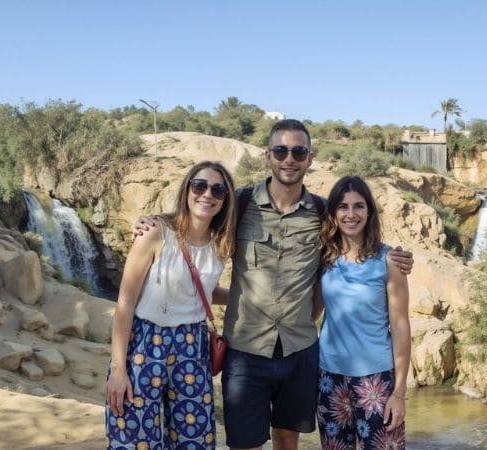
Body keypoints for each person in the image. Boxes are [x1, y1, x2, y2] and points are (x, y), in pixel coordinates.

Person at [133, 119, 413, 450]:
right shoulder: (240, 203)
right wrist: (155, 221)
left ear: (310, 158)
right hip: (246, 351)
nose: (289, 158)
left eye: (298, 151)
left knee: (286, 438)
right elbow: (198, 217)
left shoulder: (322, 212)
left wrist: (395, 255)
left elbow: (353, 236)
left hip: (299, 351)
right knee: (244, 443)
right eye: (281, 150)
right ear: (268, 155)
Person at [106, 161, 237, 449]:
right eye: (200, 185)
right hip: (144, 343)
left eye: (218, 189)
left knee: (195, 439)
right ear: (187, 189)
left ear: (226, 199)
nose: (207, 194)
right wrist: (118, 369)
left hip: (192, 343)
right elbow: (125, 302)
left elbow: (202, 290)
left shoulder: (220, 244)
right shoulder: (155, 232)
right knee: (136, 437)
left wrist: (244, 296)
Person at [315, 176, 410, 449]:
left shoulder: (389, 260)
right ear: (334, 212)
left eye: (358, 206)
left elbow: (401, 326)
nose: (351, 214)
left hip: (376, 380)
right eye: (343, 207)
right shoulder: (325, 257)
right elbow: (312, 311)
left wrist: (400, 393)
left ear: (369, 211)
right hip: (329, 378)